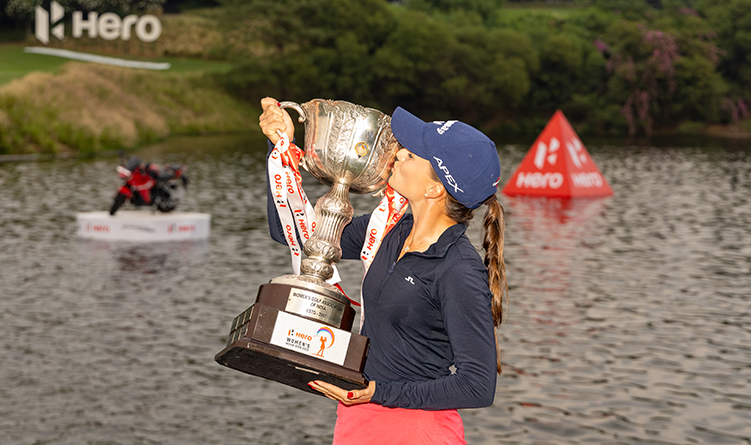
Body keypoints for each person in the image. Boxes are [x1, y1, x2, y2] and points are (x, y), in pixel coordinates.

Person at [259, 97, 509, 445]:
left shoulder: (458, 269)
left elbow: (478, 386)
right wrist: (280, 146)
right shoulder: (389, 230)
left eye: (412, 153)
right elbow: (295, 235)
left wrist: (378, 392)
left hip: (418, 430)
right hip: (357, 419)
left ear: (435, 188)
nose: (399, 153)